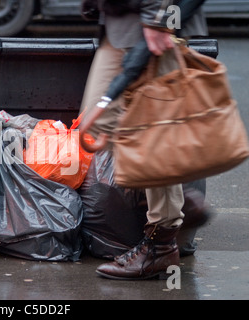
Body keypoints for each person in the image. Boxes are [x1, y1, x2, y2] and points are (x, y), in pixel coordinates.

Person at [79, 0, 209, 280]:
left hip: (152, 23)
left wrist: (158, 19)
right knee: (104, 122)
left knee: (143, 125)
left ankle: (162, 240)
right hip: (126, 25)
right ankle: (180, 203)